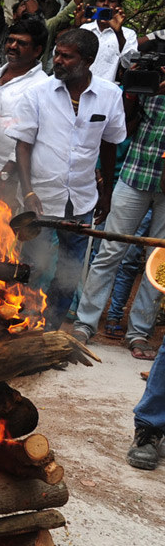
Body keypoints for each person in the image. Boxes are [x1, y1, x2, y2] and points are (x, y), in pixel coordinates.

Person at [9, 28, 126, 329]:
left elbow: (110, 145)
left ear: (87, 61)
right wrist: (29, 192)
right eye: (56, 53)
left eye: (66, 56)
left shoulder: (110, 95)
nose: (57, 60)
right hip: (41, 200)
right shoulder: (36, 93)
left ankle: (51, 331)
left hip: (82, 200)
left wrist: (107, 193)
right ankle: (23, 326)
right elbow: (23, 145)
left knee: (69, 272)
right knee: (33, 268)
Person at [72, 50, 165, 357]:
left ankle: (139, 332)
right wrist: (135, 93)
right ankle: (85, 324)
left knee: (158, 262)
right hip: (135, 175)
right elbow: (123, 129)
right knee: (110, 249)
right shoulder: (151, 83)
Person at [0, 18, 50, 197]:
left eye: (21, 43)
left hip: (5, 178)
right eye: (10, 40)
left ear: (37, 50)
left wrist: (4, 176)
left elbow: (31, 137)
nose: (12, 46)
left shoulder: (42, 86)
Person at [80, 0, 137, 82]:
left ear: (118, 7)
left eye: (111, 1)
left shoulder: (128, 34)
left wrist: (118, 33)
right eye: (102, 0)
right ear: (96, 4)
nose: (106, 4)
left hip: (106, 89)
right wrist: (75, 27)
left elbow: (130, 63)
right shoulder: (85, 29)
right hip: (79, 85)